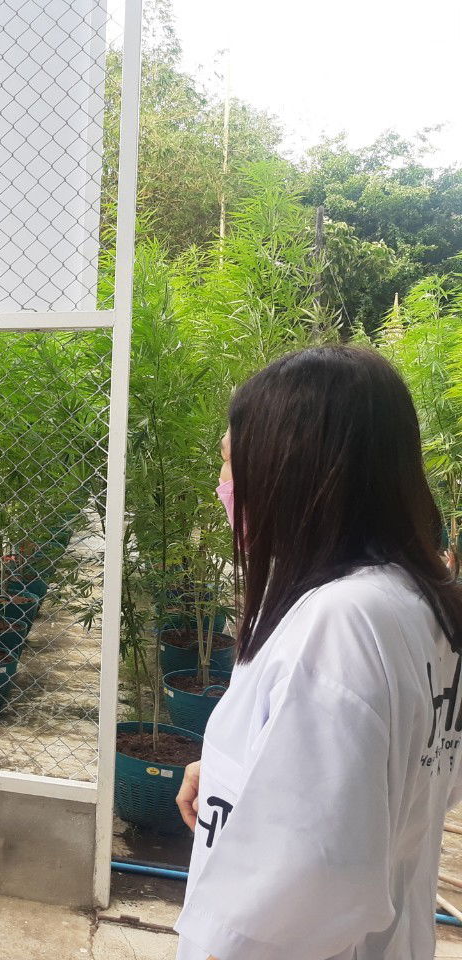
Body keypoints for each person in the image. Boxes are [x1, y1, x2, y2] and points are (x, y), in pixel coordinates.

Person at [174, 345, 462, 960]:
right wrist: (237, 775)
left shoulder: (342, 623)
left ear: (291, 469)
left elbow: (298, 894)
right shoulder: (419, 602)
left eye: (230, 464)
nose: (223, 486)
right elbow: (407, 779)